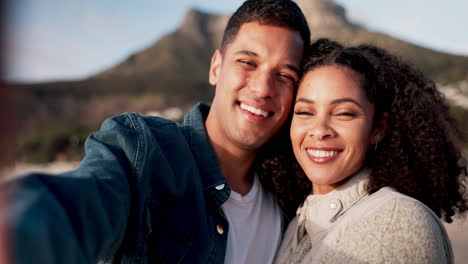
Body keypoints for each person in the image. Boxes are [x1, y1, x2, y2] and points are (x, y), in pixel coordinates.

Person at [2, 1, 310, 263]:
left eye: (284, 75)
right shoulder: (143, 151)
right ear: (216, 67)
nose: (263, 88)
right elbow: (71, 208)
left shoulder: (291, 189)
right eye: (248, 62)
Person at [263, 39, 468, 263]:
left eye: (343, 113)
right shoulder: (294, 224)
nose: (320, 130)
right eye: (305, 112)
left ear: (377, 128)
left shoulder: (397, 221)